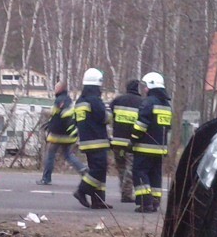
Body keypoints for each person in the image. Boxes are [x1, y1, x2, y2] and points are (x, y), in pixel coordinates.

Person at [131, 72, 172, 213]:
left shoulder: (148, 102)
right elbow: (168, 127)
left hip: (144, 147)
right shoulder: (166, 105)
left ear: (151, 86)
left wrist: (133, 139)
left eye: (146, 86)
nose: (144, 89)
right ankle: (155, 201)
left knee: (139, 171)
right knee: (155, 174)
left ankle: (145, 202)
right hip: (160, 148)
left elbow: (141, 124)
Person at [73, 68, 112, 210]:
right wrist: (109, 113)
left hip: (85, 141)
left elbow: (76, 121)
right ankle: (81, 190)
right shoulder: (94, 100)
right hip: (97, 140)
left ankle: (98, 200)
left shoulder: (80, 101)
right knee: (99, 169)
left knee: (98, 170)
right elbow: (104, 117)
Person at [36, 81, 87, 185]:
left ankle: (46, 178)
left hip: (57, 134)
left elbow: (54, 114)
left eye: (56, 87)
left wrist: (44, 112)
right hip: (69, 135)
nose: (55, 89)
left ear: (60, 89)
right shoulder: (69, 100)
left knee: (50, 155)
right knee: (68, 155)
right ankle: (83, 169)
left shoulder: (59, 100)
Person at [109, 79, 143, 203]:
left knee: (121, 167)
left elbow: (109, 116)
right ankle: (126, 193)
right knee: (130, 168)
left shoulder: (117, 100)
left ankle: (124, 191)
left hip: (117, 141)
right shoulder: (141, 103)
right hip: (131, 142)